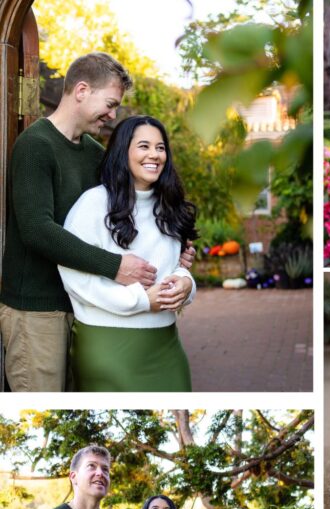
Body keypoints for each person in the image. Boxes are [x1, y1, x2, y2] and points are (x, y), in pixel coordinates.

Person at [0, 52, 190, 392]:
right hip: (38, 310)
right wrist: (114, 265)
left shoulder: (92, 153)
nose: (113, 115)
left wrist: (177, 257)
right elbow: (36, 230)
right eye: (110, 103)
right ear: (82, 90)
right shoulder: (35, 146)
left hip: (87, 307)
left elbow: (121, 213)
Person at [58, 115, 197, 391]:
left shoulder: (170, 206)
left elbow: (176, 265)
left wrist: (186, 283)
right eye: (144, 146)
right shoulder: (94, 204)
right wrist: (142, 300)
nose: (155, 155)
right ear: (124, 151)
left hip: (166, 346)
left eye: (160, 148)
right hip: (108, 346)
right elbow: (74, 278)